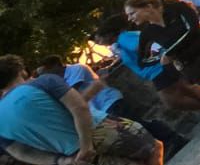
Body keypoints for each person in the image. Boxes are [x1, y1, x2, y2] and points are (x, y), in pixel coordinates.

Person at [0, 55, 200, 165]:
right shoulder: (43, 82)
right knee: (150, 152)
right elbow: (79, 107)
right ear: (20, 70)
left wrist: (60, 160)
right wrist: (86, 143)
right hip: (100, 129)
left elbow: (19, 152)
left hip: (73, 154)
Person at [31, 57, 185, 151]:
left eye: (44, 71)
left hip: (110, 101)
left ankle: (173, 139)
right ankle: (165, 144)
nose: (44, 76)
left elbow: (75, 93)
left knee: (138, 124)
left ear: (55, 66)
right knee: (133, 128)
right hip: (101, 109)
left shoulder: (76, 69)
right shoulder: (61, 81)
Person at [96, 17, 200, 117]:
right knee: (182, 94)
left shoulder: (123, 39)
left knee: (178, 97)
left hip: (158, 69)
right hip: (156, 70)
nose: (99, 42)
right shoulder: (122, 41)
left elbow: (139, 46)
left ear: (109, 34)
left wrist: (146, 57)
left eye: (100, 38)